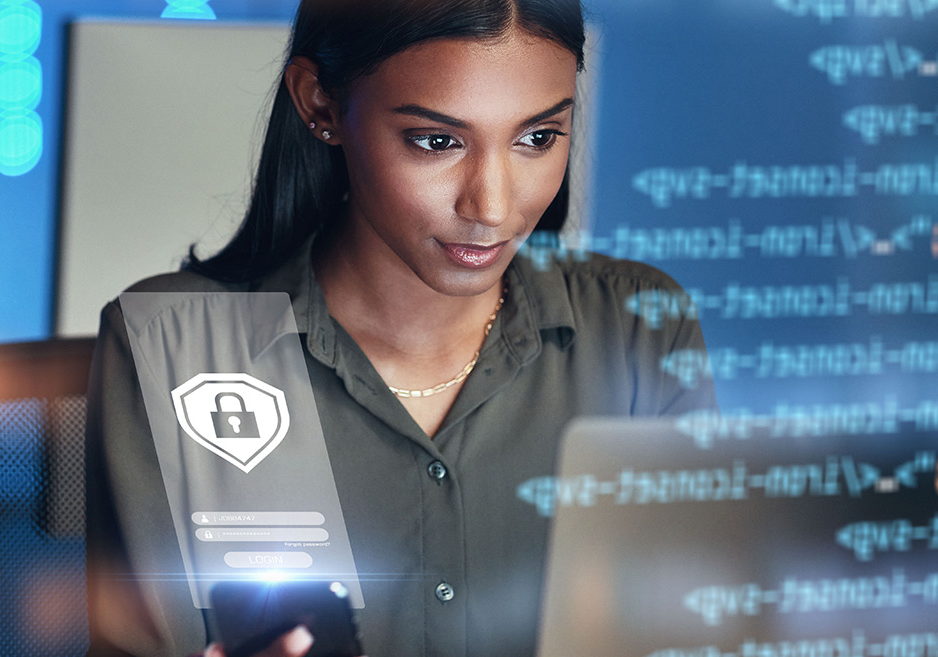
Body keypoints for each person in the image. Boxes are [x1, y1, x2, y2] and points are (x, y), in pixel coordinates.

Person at [84, 1, 715, 656]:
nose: (492, 206)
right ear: (320, 104)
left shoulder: (640, 329)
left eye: (537, 138)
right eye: (437, 141)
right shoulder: (174, 344)